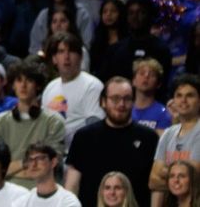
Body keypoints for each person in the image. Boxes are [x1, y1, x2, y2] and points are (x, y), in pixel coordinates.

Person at [64, 76, 159, 206]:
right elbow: (72, 185)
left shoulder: (149, 137)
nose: (121, 104)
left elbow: (156, 185)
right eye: (115, 98)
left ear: (133, 102)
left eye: (127, 99)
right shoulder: (84, 137)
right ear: (103, 102)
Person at [0, 59, 66, 189]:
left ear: (38, 85)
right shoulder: (0, 122)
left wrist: (11, 169)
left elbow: (48, 168)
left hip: (43, 192)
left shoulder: (54, 121)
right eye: (19, 80)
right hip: (8, 194)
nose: (23, 85)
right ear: (13, 85)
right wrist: (28, 164)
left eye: (29, 80)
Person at [41, 32, 104, 149]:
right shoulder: (50, 87)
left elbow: (95, 127)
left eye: (71, 51)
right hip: (53, 153)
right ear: (54, 59)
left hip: (81, 152)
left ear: (80, 57)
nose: (66, 57)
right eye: (61, 52)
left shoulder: (92, 85)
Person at [150, 74, 200, 207]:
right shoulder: (168, 133)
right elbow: (153, 181)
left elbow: (194, 177)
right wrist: (180, 175)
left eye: (190, 95)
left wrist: (166, 172)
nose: (183, 100)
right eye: (179, 95)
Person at [12, 143, 81, 207]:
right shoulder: (22, 202)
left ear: (53, 162)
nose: (34, 164)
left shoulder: (68, 202)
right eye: (30, 160)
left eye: (39, 159)